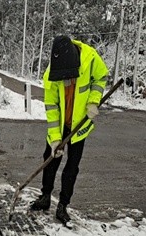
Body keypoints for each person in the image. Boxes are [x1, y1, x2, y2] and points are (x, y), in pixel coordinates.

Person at [30, 35, 109, 224]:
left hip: (80, 125)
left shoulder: (90, 58)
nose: (67, 81)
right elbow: (51, 107)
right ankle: (45, 196)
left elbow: (101, 77)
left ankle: (63, 205)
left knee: (72, 166)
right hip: (61, 124)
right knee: (50, 159)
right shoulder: (52, 74)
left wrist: (93, 101)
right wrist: (55, 139)